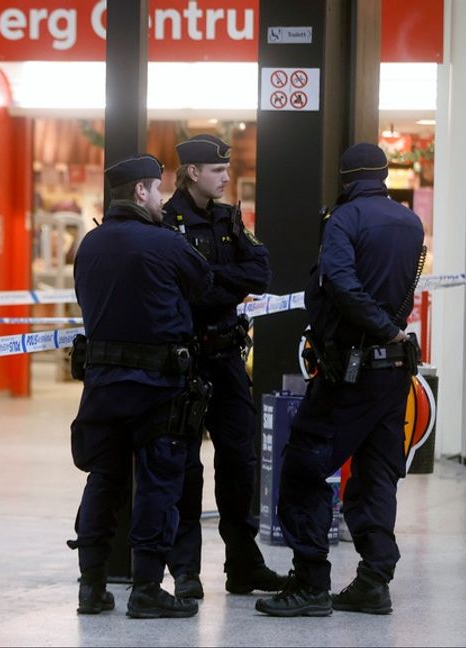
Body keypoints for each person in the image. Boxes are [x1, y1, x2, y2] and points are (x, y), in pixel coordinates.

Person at [255, 143, 425, 617]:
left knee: (304, 465)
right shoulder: (409, 221)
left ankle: (310, 582)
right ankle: (374, 580)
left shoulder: (344, 221)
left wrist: (380, 326)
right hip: (393, 371)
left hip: (351, 370)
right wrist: (392, 329)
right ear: (384, 175)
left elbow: (342, 285)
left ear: (346, 179)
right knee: (376, 472)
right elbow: (401, 288)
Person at [67, 154, 213, 619]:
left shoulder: (88, 245)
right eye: (158, 188)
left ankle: (91, 587)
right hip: (157, 387)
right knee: (157, 482)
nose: (163, 199)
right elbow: (204, 282)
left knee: (104, 479)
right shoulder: (164, 244)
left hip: (103, 387)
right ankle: (147, 587)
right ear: (140, 192)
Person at [160, 134, 286, 599]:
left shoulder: (228, 218)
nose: (226, 177)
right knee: (184, 466)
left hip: (227, 358)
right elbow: (180, 289)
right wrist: (222, 286)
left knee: (239, 460)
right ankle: (186, 570)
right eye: (218, 170)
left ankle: (243, 564)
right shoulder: (167, 221)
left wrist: (212, 281)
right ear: (192, 171)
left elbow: (261, 272)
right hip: (185, 362)